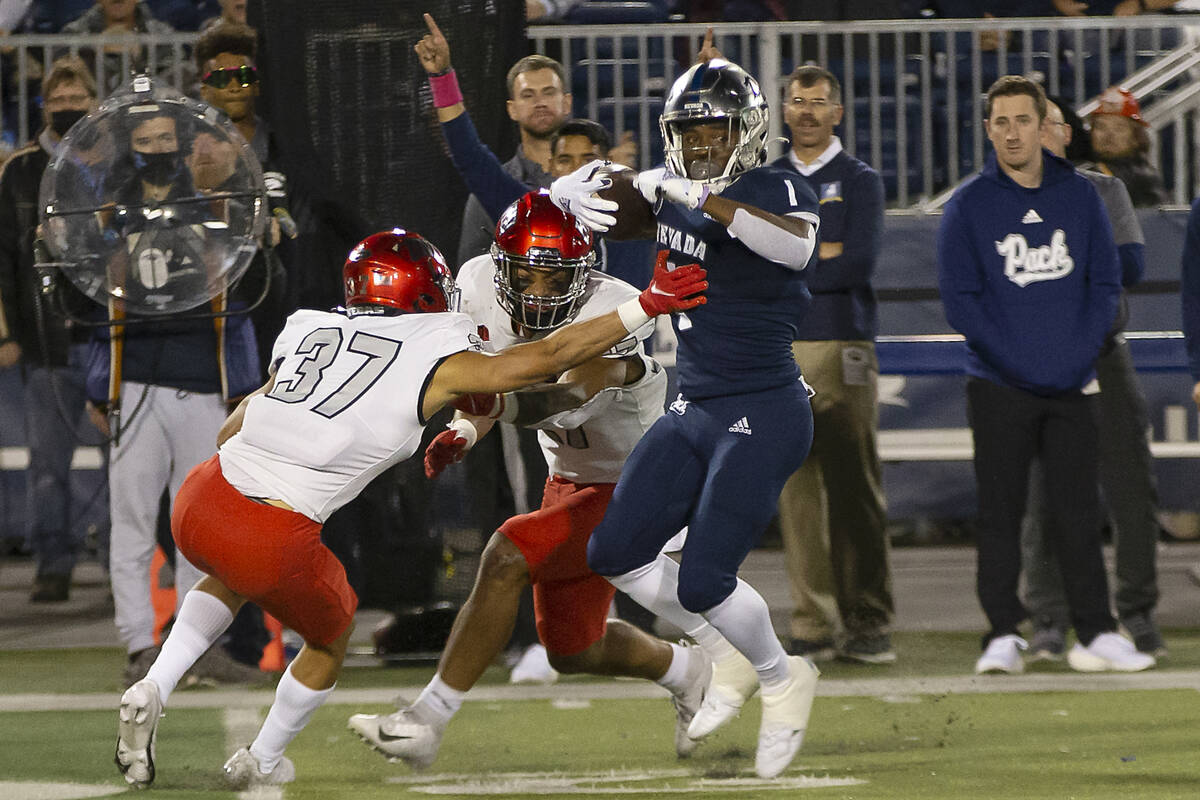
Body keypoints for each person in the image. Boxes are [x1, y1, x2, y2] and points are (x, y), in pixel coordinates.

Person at [112, 227, 707, 789]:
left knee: (230, 574)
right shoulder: (438, 354)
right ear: (425, 288)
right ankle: (265, 760)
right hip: (273, 530)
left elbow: (234, 426)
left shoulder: (308, 326)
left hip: (200, 499)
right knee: (330, 636)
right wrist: (646, 305)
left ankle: (154, 685)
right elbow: (542, 362)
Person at [347, 192, 741, 767]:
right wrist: (466, 429)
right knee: (573, 649)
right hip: (571, 475)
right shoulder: (478, 281)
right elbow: (490, 381)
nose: (536, 295)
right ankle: (689, 673)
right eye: (525, 277)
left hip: (640, 485)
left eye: (555, 283)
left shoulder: (618, 308)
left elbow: (560, 396)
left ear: (583, 277)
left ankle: (425, 722)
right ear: (500, 264)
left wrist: (480, 406)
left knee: (506, 553)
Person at [549, 53, 823, 779]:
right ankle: (725, 650)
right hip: (695, 405)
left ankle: (779, 675)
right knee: (614, 551)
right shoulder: (673, 189)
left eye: (716, 131)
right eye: (690, 132)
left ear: (749, 130)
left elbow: (796, 248)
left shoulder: (775, 183)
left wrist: (702, 197)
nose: (702, 145)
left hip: (764, 409)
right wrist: (569, 192)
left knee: (704, 579)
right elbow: (616, 200)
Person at [936, 75, 1153, 676]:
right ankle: (1003, 632)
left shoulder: (1084, 197)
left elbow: (1105, 283)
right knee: (1003, 515)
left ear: (1044, 126)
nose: (1011, 132)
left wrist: (1073, 359)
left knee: (1079, 510)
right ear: (988, 130)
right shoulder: (968, 205)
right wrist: (1021, 364)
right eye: (1000, 122)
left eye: (1022, 120)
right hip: (999, 385)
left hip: (1071, 383)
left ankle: (1097, 631)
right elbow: (960, 301)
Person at [87, 99, 264, 687]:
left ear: (184, 144)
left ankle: (192, 647)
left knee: (198, 526)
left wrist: (263, 238)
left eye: (168, 138)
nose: (158, 149)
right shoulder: (107, 214)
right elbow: (87, 302)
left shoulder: (215, 207)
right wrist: (97, 383)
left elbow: (247, 296)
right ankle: (139, 644)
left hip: (200, 384)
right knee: (133, 524)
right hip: (132, 380)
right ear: (130, 145)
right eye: (148, 138)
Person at [1020, 97, 1165, 661]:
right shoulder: (1005, 203)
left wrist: (1061, 248)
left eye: (1046, 124)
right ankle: (1050, 620)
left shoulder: (1105, 192)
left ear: (1060, 134)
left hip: (1104, 354)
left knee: (1132, 492)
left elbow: (1131, 265)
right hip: (1038, 364)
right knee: (1043, 500)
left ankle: (1138, 613)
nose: (1037, 134)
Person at [771, 64, 893, 665]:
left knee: (856, 490)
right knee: (796, 494)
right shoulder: (766, 179)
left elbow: (858, 265)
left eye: (819, 102)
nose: (808, 112)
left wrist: (792, 256)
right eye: (797, 102)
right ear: (784, 110)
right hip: (780, 348)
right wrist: (822, 250)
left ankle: (868, 620)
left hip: (844, 347)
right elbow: (759, 262)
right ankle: (812, 625)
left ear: (837, 112)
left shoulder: (861, 180)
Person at [0, 56, 105, 603]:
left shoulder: (114, 164)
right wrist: (6, 333)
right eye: (59, 101)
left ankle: (119, 565)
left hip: (106, 338)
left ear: (93, 103)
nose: (68, 109)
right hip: (41, 339)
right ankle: (53, 564)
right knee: (47, 466)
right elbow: (2, 260)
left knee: (124, 462)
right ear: (44, 106)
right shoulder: (17, 171)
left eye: (77, 100)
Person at [60, 1, 182, 97]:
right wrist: (95, 51)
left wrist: (138, 60)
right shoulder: (74, 34)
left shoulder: (162, 34)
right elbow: (60, 75)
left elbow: (174, 77)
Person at [1086, 87, 1166, 208]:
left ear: (1136, 138)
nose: (1109, 135)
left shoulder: (1144, 179)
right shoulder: (1082, 171)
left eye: (1119, 128)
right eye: (1101, 127)